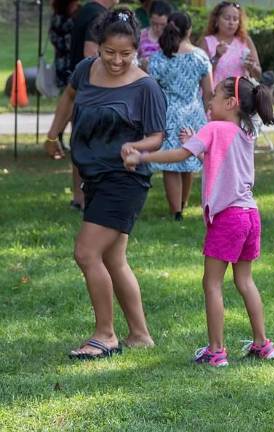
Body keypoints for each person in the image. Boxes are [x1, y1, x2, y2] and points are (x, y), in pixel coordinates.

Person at [123, 76, 274, 367]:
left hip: (228, 218)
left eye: (215, 97)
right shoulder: (247, 129)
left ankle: (216, 350)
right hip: (249, 215)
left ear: (231, 102)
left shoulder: (213, 128)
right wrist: (193, 142)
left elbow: (181, 156)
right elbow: (218, 157)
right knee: (245, 280)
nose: (209, 101)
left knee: (212, 284)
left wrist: (142, 157)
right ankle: (262, 343)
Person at [46, 8, 167, 359]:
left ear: (137, 50)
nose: (117, 61)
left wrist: (137, 147)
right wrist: (53, 133)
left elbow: (157, 136)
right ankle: (140, 335)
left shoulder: (146, 86)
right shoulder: (85, 70)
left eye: (126, 54)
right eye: (109, 52)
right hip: (94, 177)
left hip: (125, 180)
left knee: (86, 252)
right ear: (98, 46)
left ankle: (105, 334)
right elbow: (69, 97)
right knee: (113, 259)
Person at [45, 0, 118, 210]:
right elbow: (90, 51)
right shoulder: (98, 16)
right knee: (94, 147)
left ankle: (79, 197)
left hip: (81, 91)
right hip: (94, 94)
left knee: (80, 146)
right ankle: (88, 198)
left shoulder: (85, 10)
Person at [148, 11, 212, 220]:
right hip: (193, 113)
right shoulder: (200, 56)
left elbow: (151, 90)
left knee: (171, 164)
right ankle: (183, 203)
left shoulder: (159, 58)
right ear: (190, 30)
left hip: (168, 113)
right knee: (189, 160)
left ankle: (176, 210)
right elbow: (209, 92)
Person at [45, 0, 81, 160]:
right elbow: (54, 38)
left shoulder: (81, 12)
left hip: (75, 61)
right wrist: (69, 41)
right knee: (68, 99)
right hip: (64, 62)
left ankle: (72, 137)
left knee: (75, 104)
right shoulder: (59, 16)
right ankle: (58, 135)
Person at [199, 1, 261, 86]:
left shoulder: (245, 41)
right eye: (227, 18)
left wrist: (252, 67)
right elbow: (200, 75)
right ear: (216, 20)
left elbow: (258, 74)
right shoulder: (207, 42)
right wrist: (216, 57)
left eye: (235, 19)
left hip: (240, 95)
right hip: (215, 96)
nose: (231, 23)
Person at [137, 0, 172, 69]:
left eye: (162, 25)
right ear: (149, 19)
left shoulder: (172, 37)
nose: (158, 28)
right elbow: (132, 59)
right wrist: (140, 62)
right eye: (154, 24)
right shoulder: (140, 35)